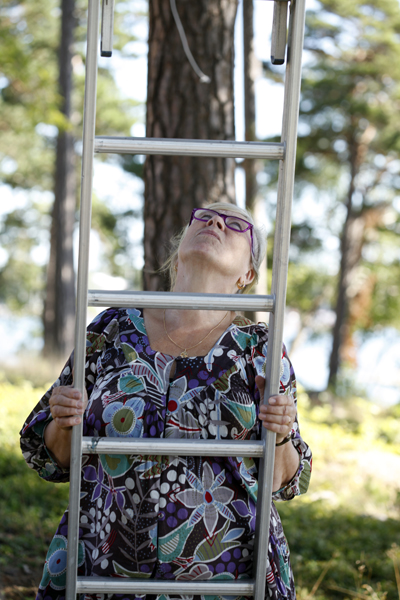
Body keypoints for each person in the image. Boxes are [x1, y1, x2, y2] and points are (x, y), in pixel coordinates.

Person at [20, 202, 312, 600]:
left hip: (228, 578)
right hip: (104, 572)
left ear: (247, 274)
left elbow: (284, 482)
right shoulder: (113, 328)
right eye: (204, 217)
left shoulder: (260, 350)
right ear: (177, 253)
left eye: (235, 224)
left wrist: (279, 433)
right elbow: (54, 458)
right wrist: (64, 419)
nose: (215, 222)